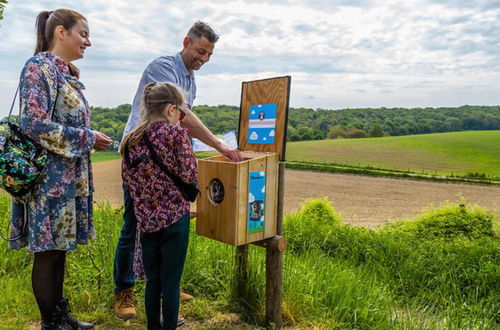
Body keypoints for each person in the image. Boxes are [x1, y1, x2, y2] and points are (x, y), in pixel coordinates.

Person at [113, 21, 243, 322]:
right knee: (134, 225)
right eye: (200, 51)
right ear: (186, 42)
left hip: (162, 159)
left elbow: (180, 124)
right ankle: (125, 291)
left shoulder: (191, 79)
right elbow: (182, 116)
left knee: (156, 233)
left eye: (209, 54)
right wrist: (218, 145)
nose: (204, 58)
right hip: (141, 158)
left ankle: (162, 287)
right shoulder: (164, 68)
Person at [9, 9, 113, 330]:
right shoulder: (38, 68)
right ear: (61, 33)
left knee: (59, 250)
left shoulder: (66, 73)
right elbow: (33, 124)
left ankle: (60, 315)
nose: (88, 41)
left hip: (67, 181)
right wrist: (87, 137)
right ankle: (49, 323)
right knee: (48, 253)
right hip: (47, 182)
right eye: (83, 33)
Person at [121, 81, 196, 330]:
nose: (181, 118)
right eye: (181, 112)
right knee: (171, 282)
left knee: (153, 281)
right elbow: (189, 174)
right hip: (175, 218)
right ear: (171, 109)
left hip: (147, 222)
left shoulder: (131, 140)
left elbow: (129, 182)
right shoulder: (176, 134)